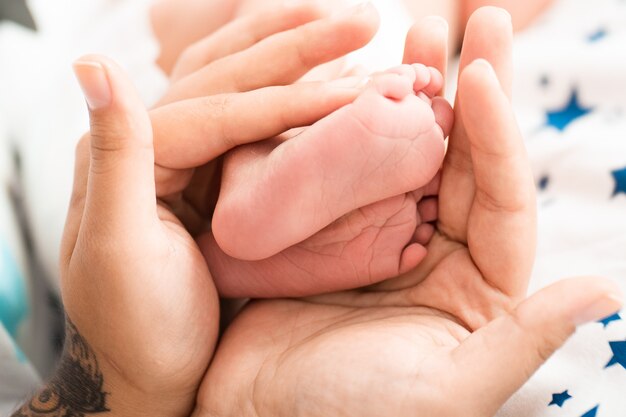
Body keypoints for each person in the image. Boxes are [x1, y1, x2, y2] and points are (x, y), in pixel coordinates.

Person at [10, 7, 623, 417]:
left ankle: (260, 213)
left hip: (102, 166)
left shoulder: (35, 72)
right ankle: (271, 202)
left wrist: (126, 382)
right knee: (311, 61)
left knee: (280, 79)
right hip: (138, 135)